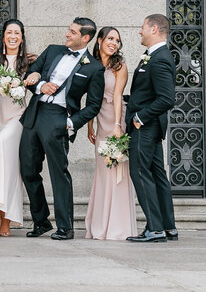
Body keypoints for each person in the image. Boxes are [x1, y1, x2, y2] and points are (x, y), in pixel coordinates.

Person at [19, 17, 104, 241]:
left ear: (85, 38)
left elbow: (94, 106)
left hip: (58, 118)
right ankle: (41, 222)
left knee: (59, 173)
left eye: (73, 32)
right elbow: (30, 75)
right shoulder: (53, 50)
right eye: (68, 30)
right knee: (28, 170)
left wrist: (69, 123)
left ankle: (65, 227)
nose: (67, 34)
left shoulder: (95, 68)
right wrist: (39, 85)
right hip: (34, 113)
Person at [0, 18, 37, 236]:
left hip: (16, 119)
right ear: (3, 36)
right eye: (9, 32)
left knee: (7, 161)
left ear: (22, 38)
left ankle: (5, 220)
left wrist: (36, 74)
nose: (13, 36)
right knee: (7, 170)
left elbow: (42, 73)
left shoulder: (30, 61)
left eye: (17, 33)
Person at [126, 13, 178, 244]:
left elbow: (167, 99)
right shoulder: (154, 56)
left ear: (154, 29)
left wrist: (139, 117)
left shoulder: (160, 59)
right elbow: (147, 93)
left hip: (145, 127)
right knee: (158, 176)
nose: (140, 31)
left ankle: (155, 229)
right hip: (151, 126)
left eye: (143, 27)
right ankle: (168, 227)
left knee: (139, 172)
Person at [84, 26, 135, 241]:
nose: (114, 42)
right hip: (99, 118)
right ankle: (99, 226)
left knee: (117, 172)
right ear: (100, 40)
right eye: (110, 38)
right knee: (103, 172)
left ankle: (117, 227)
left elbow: (117, 96)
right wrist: (89, 126)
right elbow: (89, 98)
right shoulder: (90, 64)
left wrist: (117, 125)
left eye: (117, 40)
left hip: (115, 117)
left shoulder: (119, 66)